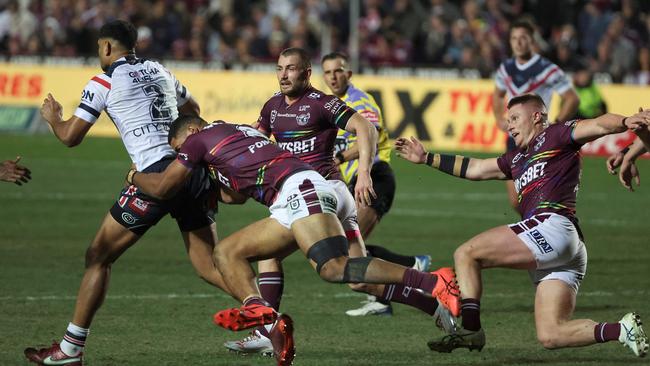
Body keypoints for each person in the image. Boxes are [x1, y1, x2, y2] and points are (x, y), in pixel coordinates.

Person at [128, 116, 462, 366]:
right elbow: (237, 196)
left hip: (301, 194)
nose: (182, 156)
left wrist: (134, 176)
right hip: (316, 192)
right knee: (355, 281)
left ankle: (432, 280)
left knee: (332, 268)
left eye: (179, 149)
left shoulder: (198, 141)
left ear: (190, 133)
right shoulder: (238, 131)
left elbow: (161, 188)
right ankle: (432, 305)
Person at [225, 47, 453, 355]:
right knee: (357, 277)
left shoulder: (322, 102)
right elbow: (258, 141)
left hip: (316, 196)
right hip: (330, 197)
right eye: (279, 68)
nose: (283, 74)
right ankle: (436, 305)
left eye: (291, 68)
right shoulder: (272, 108)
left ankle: (267, 332)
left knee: (271, 256)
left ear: (306, 73)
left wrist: (364, 174)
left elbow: (366, 127)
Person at [24, 20, 226, 366]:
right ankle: (268, 319)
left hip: (153, 176)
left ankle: (70, 351)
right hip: (189, 169)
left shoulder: (103, 80)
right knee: (210, 263)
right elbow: (193, 111)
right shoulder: (160, 70)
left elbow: (71, 137)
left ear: (105, 47)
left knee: (98, 256)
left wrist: (52, 117)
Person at [396, 94, 649, 357]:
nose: (510, 126)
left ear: (537, 116)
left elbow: (599, 124)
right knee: (551, 334)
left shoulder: (556, 135)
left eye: (515, 119)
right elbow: (477, 168)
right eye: (508, 121)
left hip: (553, 227)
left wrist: (627, 120)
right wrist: (427, 158)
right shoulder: (516, 158)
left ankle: (471, 329)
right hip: (566, 247)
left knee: (467, 253)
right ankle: (622, 329)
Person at [322, 51, 432, 317]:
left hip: (374, 179)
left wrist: (339, 157)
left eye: (339, 71)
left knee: (348, 253)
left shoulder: (360, 101)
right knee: (347, 248)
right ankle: (404, 275)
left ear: (349, 74)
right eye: (328, 72)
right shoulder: (328, 106)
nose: (334, 77)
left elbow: (368, 136)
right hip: (352, 185)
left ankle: (412, 273)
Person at [493, 20, 579, 209]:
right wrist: (499, 117)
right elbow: (497, 95)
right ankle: (532, 230)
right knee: (516, 201)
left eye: (523, 38)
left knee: (539, 196)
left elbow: (572, 98)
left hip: (539, 140)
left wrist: (556, 124)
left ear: (532, 40)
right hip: (514, 138)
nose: (518, 43)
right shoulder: (505, 69)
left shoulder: (547, 69)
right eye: (514, 38)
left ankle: (543, 231)